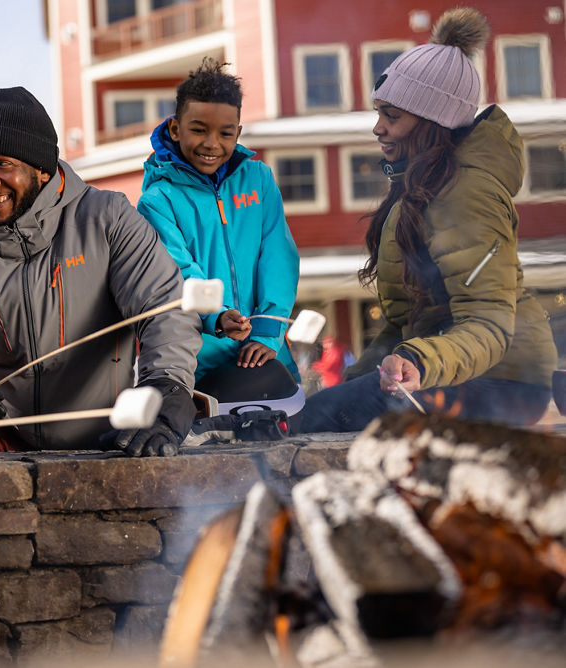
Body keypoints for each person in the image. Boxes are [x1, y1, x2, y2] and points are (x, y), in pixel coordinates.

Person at [0, 87, 201, 457]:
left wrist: (166, 389)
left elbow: (165, 309)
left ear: (42, 171)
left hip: (106, 429)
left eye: (3, 164)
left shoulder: (107, 218)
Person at [298, 8, 557, 432]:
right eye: (379, 112)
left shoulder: (467, 193)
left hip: (505, 381)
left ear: (433, 122)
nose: (377, 128)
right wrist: (355, 381)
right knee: (324, 409)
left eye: (392, 116)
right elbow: (404, 326)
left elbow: (487, 324)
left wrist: (418, 359)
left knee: (324, 419)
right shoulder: (418, 189)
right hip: (451, 370)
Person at [137, 57, 303, 414]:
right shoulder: (158, 200)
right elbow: (177, 269)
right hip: (200, 363)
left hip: (266, 353)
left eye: (225, 133)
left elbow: (277, 255)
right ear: (175, 128)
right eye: (199, 130)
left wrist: (267, 331)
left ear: (238, 133)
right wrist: (218, 315)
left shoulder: (258, 179)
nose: (212, 143)